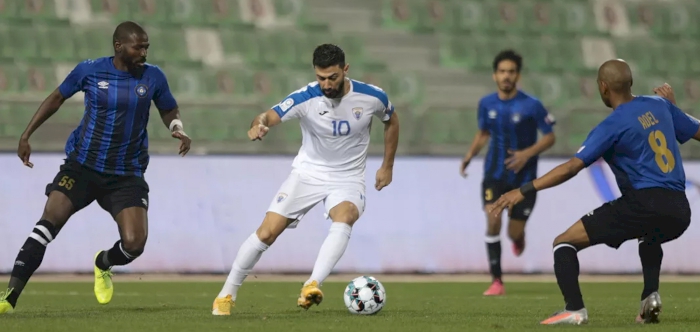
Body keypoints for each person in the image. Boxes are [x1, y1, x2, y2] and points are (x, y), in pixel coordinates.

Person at [0, 21, 191, 314]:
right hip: (82, 167)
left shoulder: (153, 77)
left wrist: (176, 127)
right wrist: (26, 135)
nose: (144, 51)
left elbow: (168, 108)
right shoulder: (90, 70)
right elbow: (56, 97)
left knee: (134, 244)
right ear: (118, 46)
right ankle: (9, 297)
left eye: (146, 46)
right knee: (47, 223)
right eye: (138, 46)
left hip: (126, 174)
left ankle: (103, 263)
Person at [489, 60, 700, 325]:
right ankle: (650, 298)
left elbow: (571, 168)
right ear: (630, 82)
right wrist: (673, 108)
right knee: (650, 236)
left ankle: (574, 309)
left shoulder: (611, 125)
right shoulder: (661, 105)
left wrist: (524, 189)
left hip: (644, 203)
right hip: (680, 210)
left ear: (603, 87)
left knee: (564, 243)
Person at [211, 44, 399, 315]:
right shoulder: (305, 98)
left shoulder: (371, 97)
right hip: (308, 173)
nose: (326, 84)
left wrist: (387, 166)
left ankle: (312, 284)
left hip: (348, 177)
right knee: (267, 232)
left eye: (332, 77)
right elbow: (268, 115)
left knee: (345, 216)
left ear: (345, 70)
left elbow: (392, 121)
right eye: (321, 77)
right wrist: (259, 123)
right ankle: (226, 295)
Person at [460, 50, 556, 296]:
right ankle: (497, 281)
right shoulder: (486, 104)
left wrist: (527, 153)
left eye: (511, 72)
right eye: (502, 71)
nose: (506, 76)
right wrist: (470, 156)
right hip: (494, 173)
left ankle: (518, 237)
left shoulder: (532, 105)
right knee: (492, 220)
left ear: (518, 75)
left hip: (525, 178)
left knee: (513, 231)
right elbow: (483, 133)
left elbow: (550, 137)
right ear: (495, 75)